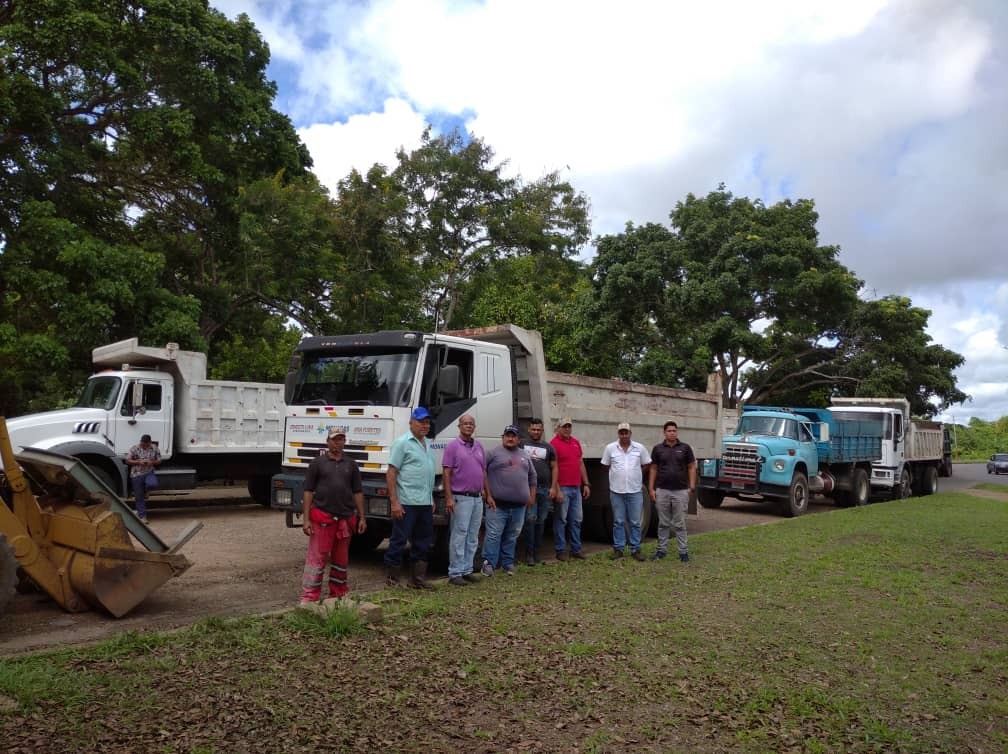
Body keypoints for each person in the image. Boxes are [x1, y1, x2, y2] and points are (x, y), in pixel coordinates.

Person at [299, 428, 366, 603]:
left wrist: (362, 517)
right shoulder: (317, 464)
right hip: (322, 518)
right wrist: (306, 519)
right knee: (317, 559)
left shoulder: (351, 465)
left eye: (341, 439)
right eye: (335, 439)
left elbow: (357, 492)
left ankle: (338, 595)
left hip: (345, 519)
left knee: (341, 560)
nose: (338, 442)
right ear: (327, 442)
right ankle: (309, 598)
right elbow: (308, 491)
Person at [384, 407, 437, 589]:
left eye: (427, 422)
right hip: (406, 502)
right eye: (421, 422)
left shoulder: (427, 444)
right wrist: (394, 502)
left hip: (424, 503)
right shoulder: (402, 443)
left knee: (423, 542)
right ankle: (392, 581)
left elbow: (427, 474)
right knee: (399, 541)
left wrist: (431, 499)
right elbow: (391, 473)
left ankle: (417, 580)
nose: (425, 425)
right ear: (411, 423)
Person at [481, 425, 536, 576]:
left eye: (513, 436)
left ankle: (508, 564)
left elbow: (532, 477)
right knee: (494, 534)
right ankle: (488, 564)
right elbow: (481, 471)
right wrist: (487, 493)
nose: (510, 438)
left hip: (519, 506)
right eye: (507, 435)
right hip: (497, 505)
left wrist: (532, 495)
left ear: (518, 439)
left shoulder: (525, 455)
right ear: (503, 437)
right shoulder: (492, 453)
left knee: (512, 535)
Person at [442, 414, 486, 587]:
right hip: (461, 498)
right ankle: (455, 572)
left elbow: (483, 472)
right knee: (459, 535)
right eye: (465, 423)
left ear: (474, 427)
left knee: (473, 535)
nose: (468, 426)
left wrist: (487, 494)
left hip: (477, 498)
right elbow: (446, 472)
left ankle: (467, 569)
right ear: (459, 426)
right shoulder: (453, 446)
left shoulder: (479, 446)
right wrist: (449, 498)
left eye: (471, 424)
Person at [601, 422, 652, 561]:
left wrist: (636, 474)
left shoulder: (639, 448)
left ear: (630, 433)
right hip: (617, 491)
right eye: (621, 433)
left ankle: (636, 549)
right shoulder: (610, 448)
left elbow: (647, 463)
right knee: (618, 521)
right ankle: (618, 548)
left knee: (635, 521)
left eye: (626, 432)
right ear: (618, 434)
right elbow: (605, 466)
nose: (624, 435)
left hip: (635, 491)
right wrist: (617, 474)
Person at [648, 421, 697, 562]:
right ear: (664, 432)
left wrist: (691, 487)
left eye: (674, 430)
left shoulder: (685, 448)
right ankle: (661, 551)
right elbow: (653, 469)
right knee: (663, 523)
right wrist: (651, 489)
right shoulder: (657, 449)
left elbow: (691, 467)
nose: (672, 433)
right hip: (662, 491)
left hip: (680, 491)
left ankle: (683, 552)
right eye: (669, 431)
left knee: (680, 523)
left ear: (677, 432)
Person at [550, 417, 591, 560]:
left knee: (576, 520)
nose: (567, 429)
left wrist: (586, 483)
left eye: (569, 426)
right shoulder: (553, 444)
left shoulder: (575, 443)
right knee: (561, 520)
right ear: (558, 428)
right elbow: (553, 468)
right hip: (563, 488)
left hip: (576, 487)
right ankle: (560, 550)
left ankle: (576, 549)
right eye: (564, 426)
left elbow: (580, 463)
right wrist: (557, 489)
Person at [520, 418, 559, 566]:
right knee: (530, 520)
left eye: (539, 429)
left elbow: (554, 467)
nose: (536, 432)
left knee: (541, 521)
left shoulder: (548, 448)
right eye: (533, 429)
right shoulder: (521, 444)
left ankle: (537, 554)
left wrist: (553, 487)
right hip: (528, 489)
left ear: (542, 431)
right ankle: (529, 555)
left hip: (544, 489)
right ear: (529, 430)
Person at [126, 434, 160, 522]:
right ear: (140, 442)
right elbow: (127, 460)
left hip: (149, 472)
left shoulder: (154, 448)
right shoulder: (134, 448)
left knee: (153, 484)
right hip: (136, 474)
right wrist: (138, 462)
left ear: (149, 443)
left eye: (146, 445)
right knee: (139, 496)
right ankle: (142, 516)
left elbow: (159, 460)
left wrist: (151, 462)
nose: (144, 446)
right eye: (142, 444)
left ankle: (146, 491)